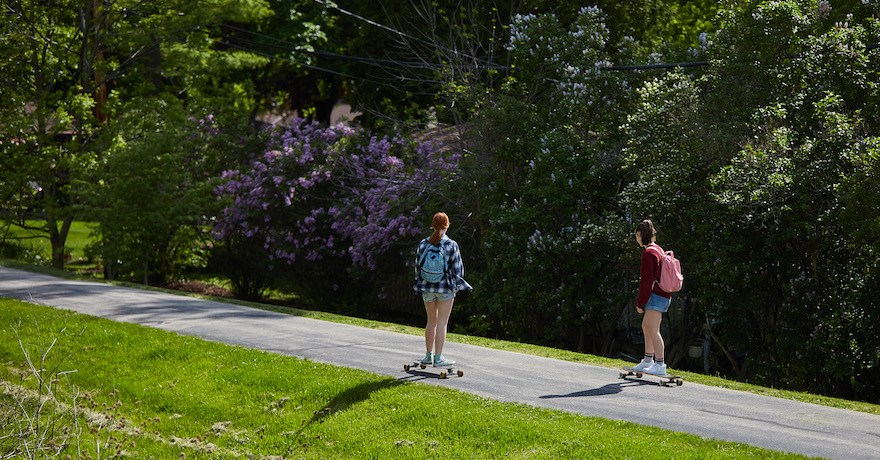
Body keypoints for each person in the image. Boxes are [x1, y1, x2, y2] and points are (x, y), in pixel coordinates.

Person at [412, 212, 471, 367]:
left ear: (433, 225)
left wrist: (422, 284)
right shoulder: (451, 245)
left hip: (427, 289)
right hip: (445, 289)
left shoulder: (424, 244)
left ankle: (427, 356)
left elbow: (417, 267)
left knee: (431, 321)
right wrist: (455, 287)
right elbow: (458, 271)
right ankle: (438, 358)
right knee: (442, 323)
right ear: (448, 225)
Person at [632, 219, 673, 375]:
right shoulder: (657, 249)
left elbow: (646, 281)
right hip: (661, 295)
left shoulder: (649, 253)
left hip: (657, 296)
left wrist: (640, 303)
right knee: (646, 326)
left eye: (636, 235)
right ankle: (648, 360)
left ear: (640, 234)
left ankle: (660, 364)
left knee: (653, 329)